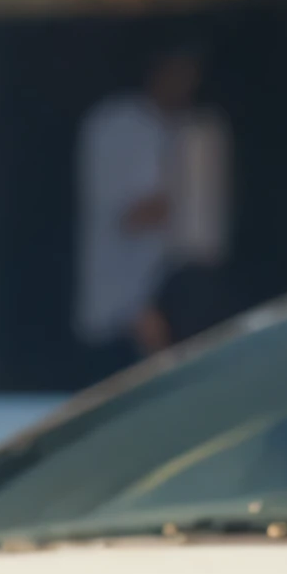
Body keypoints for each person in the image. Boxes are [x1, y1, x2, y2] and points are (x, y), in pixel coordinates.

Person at [73, 46, 230, 376]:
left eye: (191, 77)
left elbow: (201, 236)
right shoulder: (115, 125)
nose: (184, 85)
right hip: (124, 309)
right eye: (176, 73)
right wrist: (136, 308)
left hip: (177, 295)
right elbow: (132, 217)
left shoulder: (198, 129)